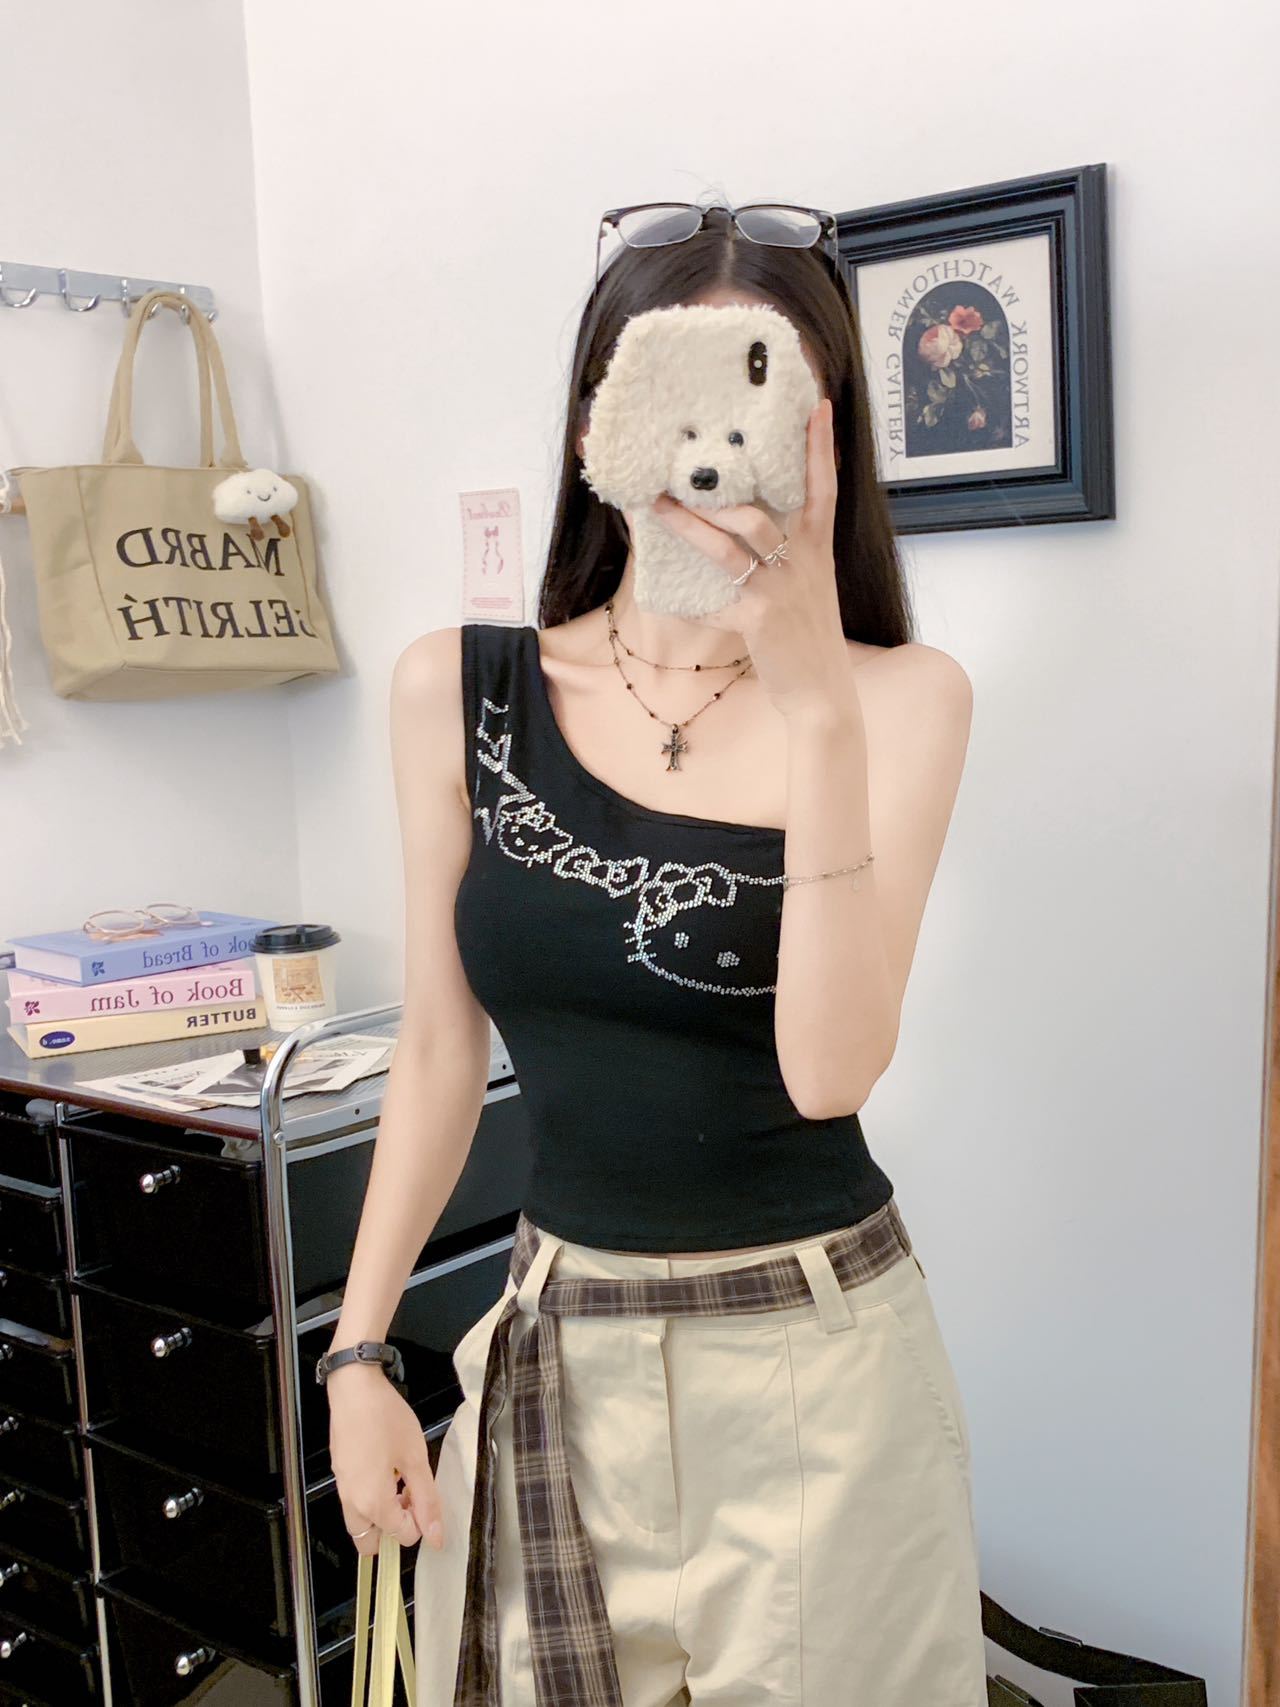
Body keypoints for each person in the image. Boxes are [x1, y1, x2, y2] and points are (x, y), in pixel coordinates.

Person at [323, 200, 985, 1706]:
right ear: (592, 430)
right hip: (560, 1349)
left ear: (827, 443)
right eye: (669, 394)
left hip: (819, 1364)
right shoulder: (458, 691)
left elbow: (830, 1072)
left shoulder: (903, 702)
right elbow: (438, 1051)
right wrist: (357, 1357)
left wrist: (814, 707)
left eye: (766, 400)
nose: (713, 453)